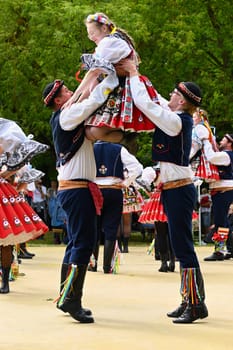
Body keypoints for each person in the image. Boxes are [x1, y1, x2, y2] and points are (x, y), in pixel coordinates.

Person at [118, 58, 208, 324]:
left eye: (175, 93)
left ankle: (194, 303)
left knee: (183, 248)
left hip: (179, 190)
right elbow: (153, 97)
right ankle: (191, 300)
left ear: (182, 101)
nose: (169, 95)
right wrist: (136, 71)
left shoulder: (177, 121)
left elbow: (147, 104)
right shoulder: (175, 117)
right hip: (173, 189)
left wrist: (133, 73)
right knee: (181, 247)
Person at [42, 71, 119, 323]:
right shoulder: (66, 115)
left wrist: (93, 73)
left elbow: (82, 95)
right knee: (84, 244)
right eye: (65, 92)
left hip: (76, 189)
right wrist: (103, 80)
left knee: (76, 243)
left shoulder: (66, 116)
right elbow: (90, 98)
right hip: (76, 190)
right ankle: (72, 300)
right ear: (57, 101)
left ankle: (67, 296)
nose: (70, 93)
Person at [63, 12, 159, 143]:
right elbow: (95, 77)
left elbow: (93, 73)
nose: (90, 37)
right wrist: (78, 101)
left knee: (94, 132)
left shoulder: (110, 42)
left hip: (122, 88)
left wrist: (74, 99)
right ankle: (123, 135)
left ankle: (125, 135)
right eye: (88, 34)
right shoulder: (109, 42)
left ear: (103, 28)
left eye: (92, 32)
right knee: (89, 132)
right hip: (114, 86)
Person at [88, 141, 143, 273]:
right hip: (113, 190)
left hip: (95, 191)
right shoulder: (119, 149)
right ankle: (108, 266)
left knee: (93, 229)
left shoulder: (90, 147)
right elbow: (137, 167)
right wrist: (126, 183)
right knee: (111, 229)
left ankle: (92, 265)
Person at [201, 134, 233, 261]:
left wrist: (206, 141)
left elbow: (211, 157)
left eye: (224, 140)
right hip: (224, 190)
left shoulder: (226, 155)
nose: (221, 141)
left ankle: (219, 251)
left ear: (230, 143)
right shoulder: (226, 155)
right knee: (224, 222)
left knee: (220, 222)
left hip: (223, 190)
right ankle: (230, 249)